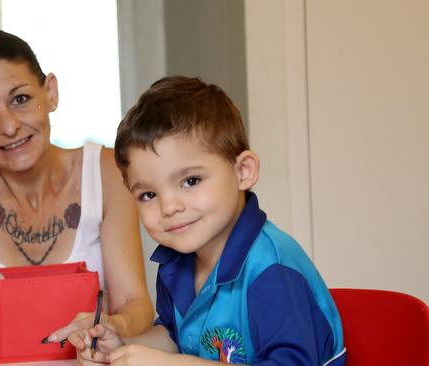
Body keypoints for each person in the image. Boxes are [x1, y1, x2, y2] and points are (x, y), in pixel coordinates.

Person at [68, 76, 346, 365]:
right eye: (149, 194)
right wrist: (123, 346)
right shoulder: (177, 260)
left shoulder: (272, 270)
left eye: (191, 180)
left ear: (243, 172)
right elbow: (178, 339)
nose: (170, 207)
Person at [0, 29, 154, 340]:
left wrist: (113, 325)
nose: (9, 126)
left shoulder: (106, 171)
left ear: (51, 93)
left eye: (20, 99)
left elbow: (132, 304)